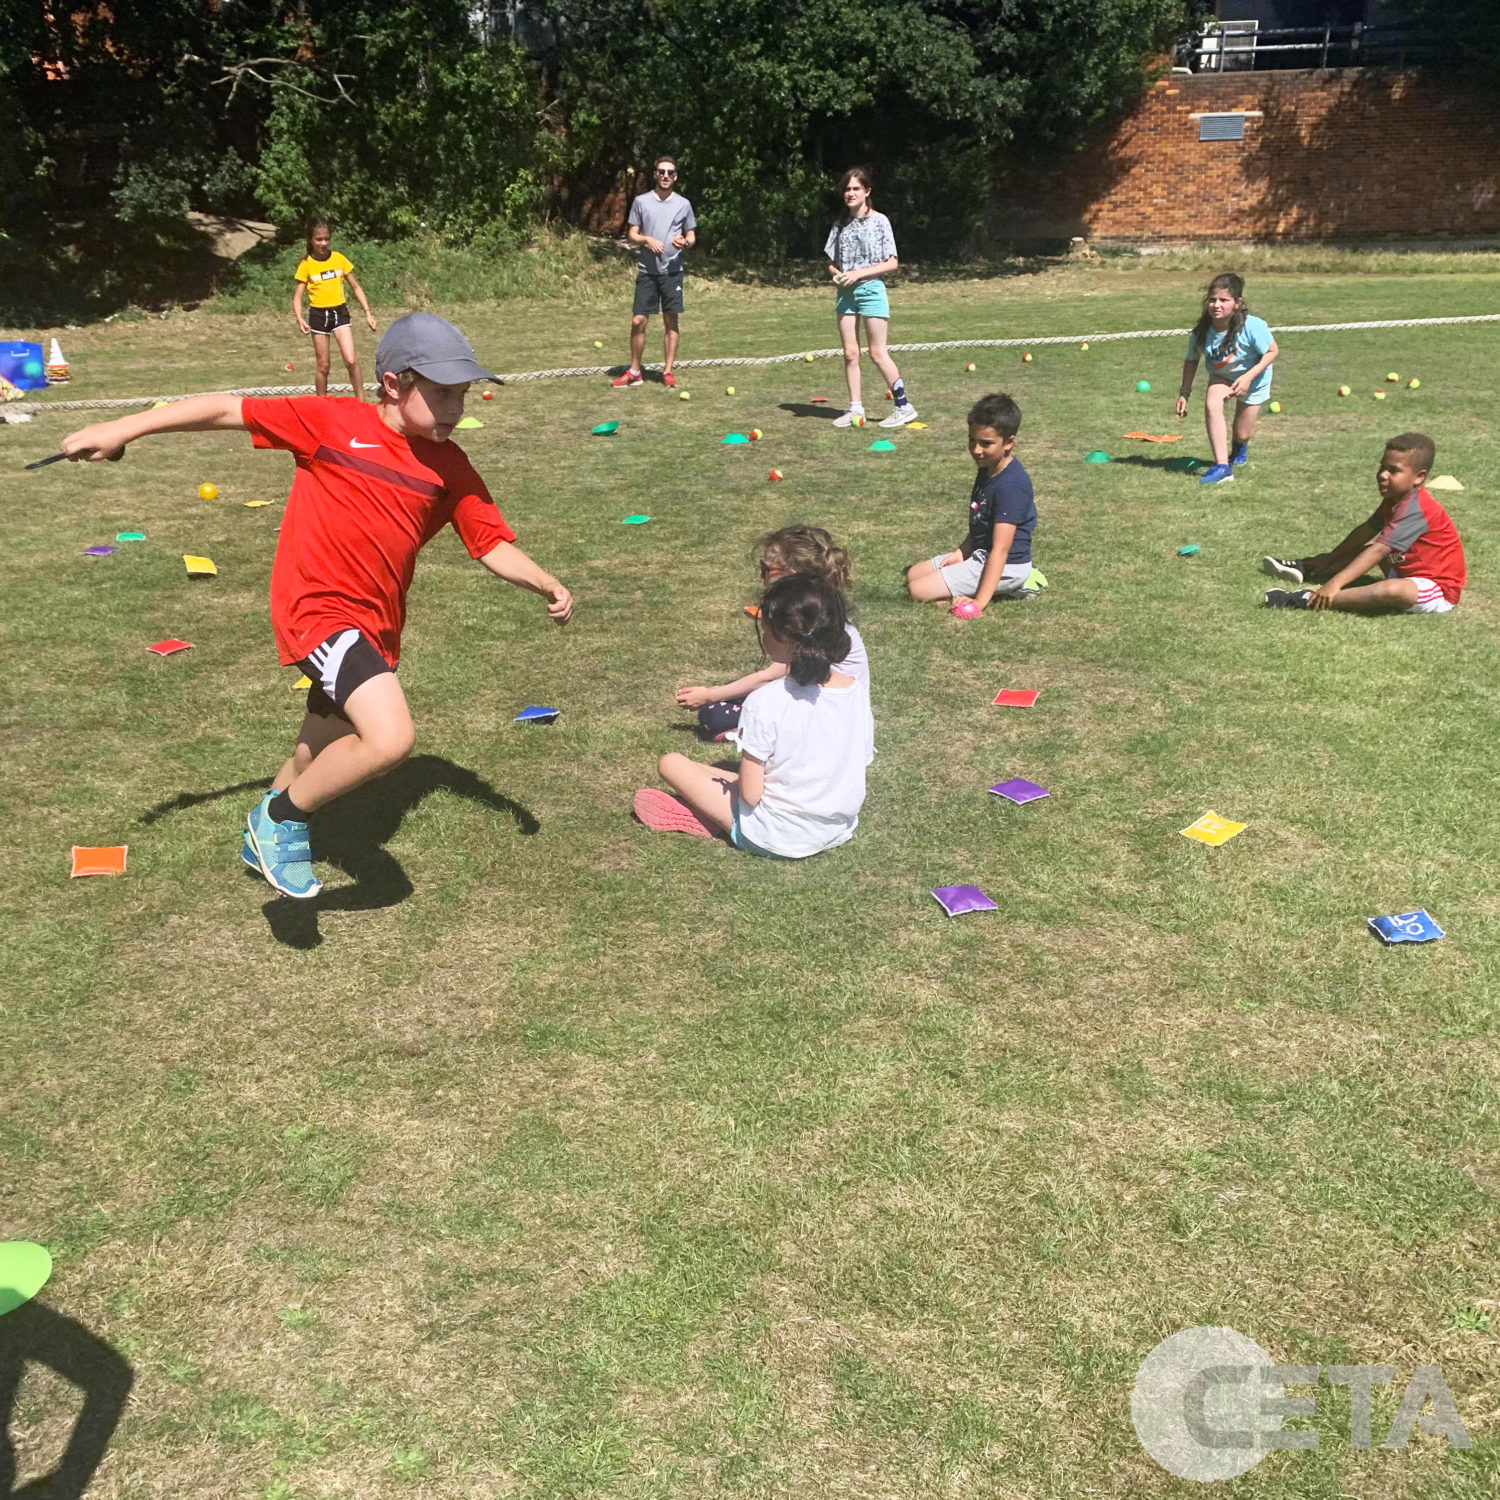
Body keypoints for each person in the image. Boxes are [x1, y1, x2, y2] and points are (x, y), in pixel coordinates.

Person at [59, 312, 574, 900]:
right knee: (389, 739)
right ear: (393, 384)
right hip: (318, 612)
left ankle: (267, 825)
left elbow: (490, 542)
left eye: (461, 394)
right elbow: (229, 409)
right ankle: (280, 825)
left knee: (315, 755)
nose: (455, 408)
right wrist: (125, 428)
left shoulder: (450, 464)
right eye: (440, 394)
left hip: (377, 628)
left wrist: (545, 582)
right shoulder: (330, 422)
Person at [634, 574, 874, 858]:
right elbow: (862, 758)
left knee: (672, 763)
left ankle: (710, 818)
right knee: (711, 772)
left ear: (779, 636)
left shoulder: (765, 701)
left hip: (774, 833)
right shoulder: (853, 689)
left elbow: (750, 794)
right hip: (837, 827)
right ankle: (709, 811)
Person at [674, 525, 865, 739]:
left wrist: (709, 695)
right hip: (814, 695)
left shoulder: (809, 623)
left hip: (822, 713)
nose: (762, 576)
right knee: (733, 693)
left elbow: (769, 676)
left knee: (716, 712)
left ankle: (749, 731)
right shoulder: (823, 610)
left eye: (767, 569)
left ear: (794, 573)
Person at [1262, 432, 1465, 613]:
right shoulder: (1394, 499)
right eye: (1382, 467)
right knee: (1363, 552)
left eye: (1393, 471)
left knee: (1390, 589)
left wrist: (1334, 584)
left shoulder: (1417, 509)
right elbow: (1366, 531)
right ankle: (1309, 568)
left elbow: (1379, 550)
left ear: (1419, 477)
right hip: (1403, 570)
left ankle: (1307, 599)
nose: (1382, 475)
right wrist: (1331, 557)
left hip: (1436, 588)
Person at [905, 392, 1042, 611]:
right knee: (912, 575)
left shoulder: (1011, 486)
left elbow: (1000, 550)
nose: (976, 450)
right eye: (972, 440)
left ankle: (1017, 584)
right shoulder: (987, 468)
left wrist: (979, 601)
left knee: (917, 591)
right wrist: (961, 552)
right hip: (980, 555)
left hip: (1007, 565)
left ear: (1009, 442)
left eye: (986, 443)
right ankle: (995, 584)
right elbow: (981, 522)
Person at [824, 167, 917, 430]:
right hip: (845, 295)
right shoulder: (840, 224)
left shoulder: (880, 221)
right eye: (847, 189)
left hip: (871, 291)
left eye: (855, 188)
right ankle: (856, 410)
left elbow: (892, 263)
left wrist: (859, 274)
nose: (850, 193)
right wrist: (837, 275)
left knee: (877, 352)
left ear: (867, 191)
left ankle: (903, 406)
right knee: (850, 352)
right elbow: (831, 262)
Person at [1175, 272, 1277, 486]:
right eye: (1212, 300)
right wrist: (1184, 393)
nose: (1216, 305)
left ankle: (1239, 447)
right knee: (1212, 404)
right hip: (1222, 376)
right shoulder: (1202, 331)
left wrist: (1248, 378)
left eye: (1224, 300)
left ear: (1237, 303)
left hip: (1255, 378)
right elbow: (1191, 360)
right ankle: (1222, 467)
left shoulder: (1252, 326)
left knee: (1242, 432)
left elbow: (1272, 352)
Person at [611, 156, 696, 389]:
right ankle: (635, 372)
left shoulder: (683, 204)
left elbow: (691, 236)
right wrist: (647, 239)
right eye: (661, 172)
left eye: (670, 172)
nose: (666, 176)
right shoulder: (641, 201)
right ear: (655, 174)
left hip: (672, 271)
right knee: (638, 320)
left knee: (671, 320)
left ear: (675, 176)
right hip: (647, 271)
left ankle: (668, 372)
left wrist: (684, 242)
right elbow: (632, 234)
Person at [292, 217, 377, 398]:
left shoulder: (338, 258)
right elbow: (298, 297)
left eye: (327, 238)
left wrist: (368, 313)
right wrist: (299, 318)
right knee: (323, 365)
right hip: (318, 316)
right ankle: (321, 405)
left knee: (351, 360)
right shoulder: (306, 264)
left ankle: (361, 403)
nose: (323, 243)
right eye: (319, 239)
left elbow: (356, 287)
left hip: (340, 313)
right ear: (310, 240)